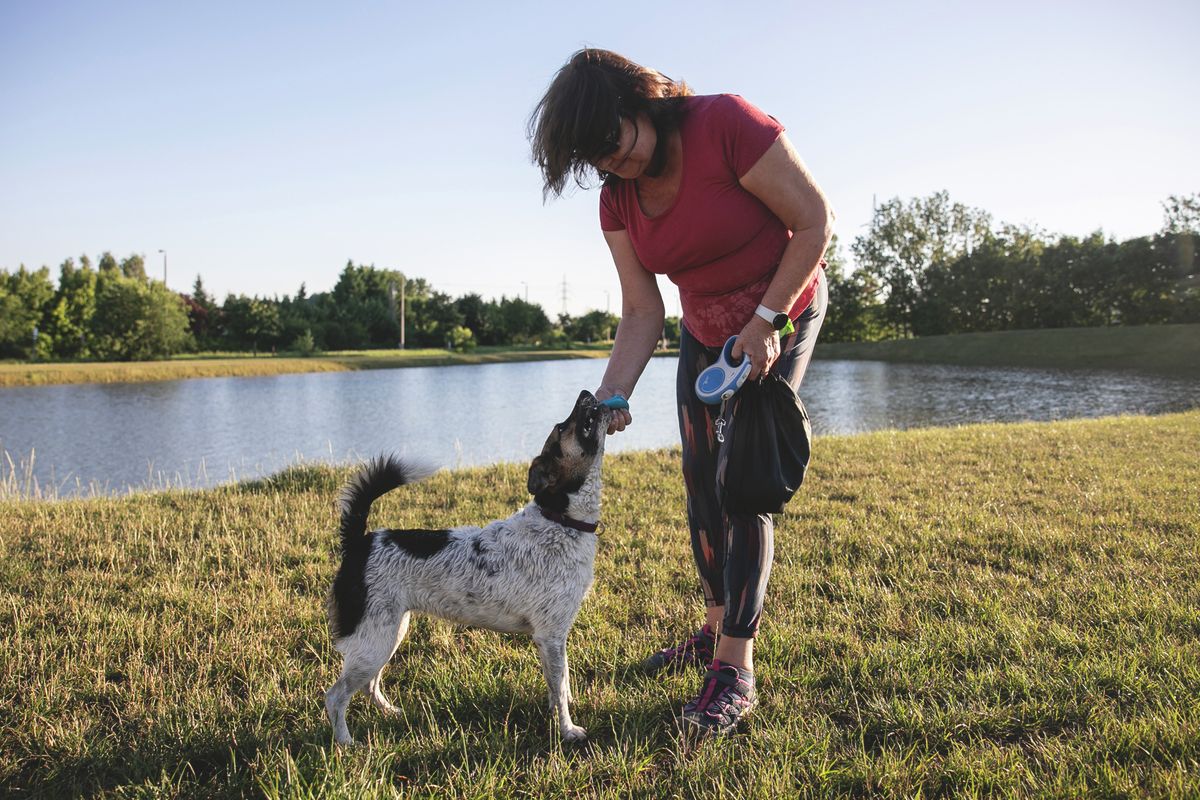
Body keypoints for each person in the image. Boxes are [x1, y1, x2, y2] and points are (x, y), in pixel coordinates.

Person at [529, 48, 831, 736]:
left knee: (742, 481)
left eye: (614, 140)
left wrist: (766, 319)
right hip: (706, 331)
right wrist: (608, 399)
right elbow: (642, 311)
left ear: (641, 101)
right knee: (699, 480)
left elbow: (815, 221)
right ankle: (713, 624)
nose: (613, 163)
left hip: (780, 308)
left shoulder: (725, 123)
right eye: (595, 158)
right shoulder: (617, 199)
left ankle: (734, 666)